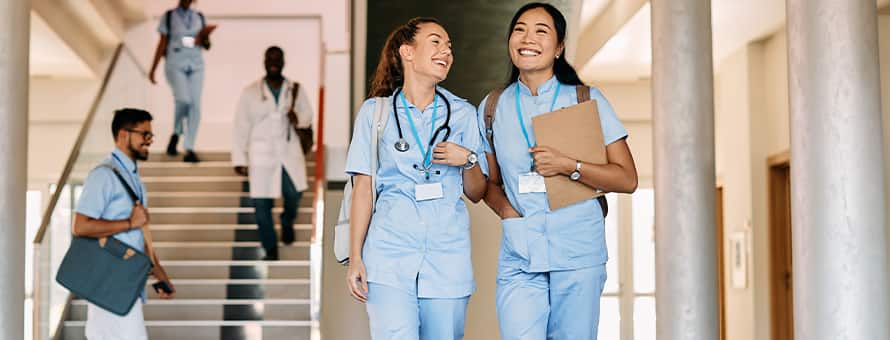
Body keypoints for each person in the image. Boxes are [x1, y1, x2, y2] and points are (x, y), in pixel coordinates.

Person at [478, 3, 638, 339]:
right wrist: (508, 214)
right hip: (520, 254)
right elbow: (488, 184)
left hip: (579, 252)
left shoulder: (586, 100)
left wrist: (571, 166)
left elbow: (627, 178)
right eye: (520, 29)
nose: (528, 38)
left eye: (541, 31)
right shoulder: (493, 107)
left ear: (560, 46)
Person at [344, 17, 488, 340]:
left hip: (447, 261)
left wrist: (468, 159)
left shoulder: (463, 114)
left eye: (449, 47)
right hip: (388, 259)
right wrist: (356, 257)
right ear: (407, 52)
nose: (446, 51)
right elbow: (363, 191)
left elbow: (477, 192)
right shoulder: (374, 113)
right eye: (436, 42)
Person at [72, 108, 176, 339]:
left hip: (126, 281)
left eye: (150, 135)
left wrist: (158, 271)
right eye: (144, 134)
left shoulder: (132, 178)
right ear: (123, 135)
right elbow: (80, 226)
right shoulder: (104, 175)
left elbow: (138, 233)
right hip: (109, 282)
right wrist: (129, 222)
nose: (149, 141)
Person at [231, 46, 314, 261]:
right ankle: (270, 247)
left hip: (288, 151)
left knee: (294, 193)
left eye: (278, 59)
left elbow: (308, 116)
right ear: (264, 61)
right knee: (261, 205)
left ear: (284, 62)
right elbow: (241, 125)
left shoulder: (295, 89)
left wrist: (298, 118)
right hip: (260, 155)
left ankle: (287, 221)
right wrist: (239, 158)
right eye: (270, 59)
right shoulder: (250, 92)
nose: (274, 62)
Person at [149, 0, 216, 163]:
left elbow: (207, 46)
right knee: (183, 99)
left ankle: (189, 147)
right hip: (175, 63)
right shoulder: (170, 16)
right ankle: (177, 131)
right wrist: (153, 69)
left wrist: (204, 37)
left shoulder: (199, 17)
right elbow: (162, 42)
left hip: (196, 65)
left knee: (195, 106)